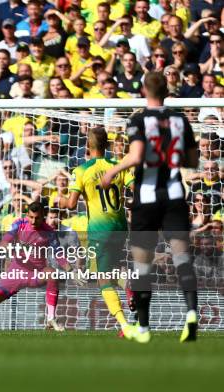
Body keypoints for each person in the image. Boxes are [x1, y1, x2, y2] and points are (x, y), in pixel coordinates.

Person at [102, 72, 199, 344]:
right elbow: (192, 159)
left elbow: (136, 155)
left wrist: (112, 172)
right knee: (182, 257)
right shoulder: (181, 119)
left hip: (146, 197)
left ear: (145, 89)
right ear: (167, 89)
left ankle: (143, 328)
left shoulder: (138, 119)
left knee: (142, 264)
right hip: (175, 193)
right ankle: (191, 314)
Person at [58, 127, 135, 339]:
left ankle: (124, 324)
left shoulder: (81, 171)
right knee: (116, 267)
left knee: (102, 277)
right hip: (120, 226)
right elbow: (134, 187)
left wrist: (61, 199)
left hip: (99, 231)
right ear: (107, 146)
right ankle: (130, 290)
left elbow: (72, 205)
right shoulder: (118, 167)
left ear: (87, 147)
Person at [0, 202, 84, 331]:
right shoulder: (19, 225)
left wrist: (72, 271)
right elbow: (3, 243)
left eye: (37, 218)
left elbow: (58, 254)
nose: (33, 221)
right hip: (16, 273)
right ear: (27, 215)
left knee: (52, 273)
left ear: (43, 217)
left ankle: (51, 318)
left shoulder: (49, 232)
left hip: (36, 273)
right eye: (31, 217)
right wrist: (14, 247)